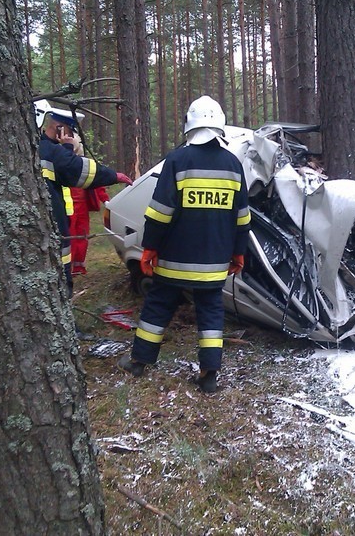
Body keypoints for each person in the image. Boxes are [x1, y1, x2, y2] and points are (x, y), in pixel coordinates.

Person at [117, 96, 251, 394]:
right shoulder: (232, 165)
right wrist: (238, 252)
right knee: (211, 312)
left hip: (175, 259)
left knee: (159, 305)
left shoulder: (177, 160)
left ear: (189, 126)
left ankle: (139, 361)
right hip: (215, 263)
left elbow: (160, 212)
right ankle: (209, 375)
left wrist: (149, 247)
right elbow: (242, 217)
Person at [34, 100, 132, 315]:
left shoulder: (36, 148)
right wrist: (114, 176)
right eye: (69, 130)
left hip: (43, 222)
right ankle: (63, 321)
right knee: (60, 273)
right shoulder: (48, 150)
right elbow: (76, 168)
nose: (72, 135)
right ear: (60, 129)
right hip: (52, 224)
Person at [68, 140, 110, 276]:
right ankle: (67, 267)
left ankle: (78, 266)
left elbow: (97, 180)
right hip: (67, 207)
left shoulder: (84, 164)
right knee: (69, 236)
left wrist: (105, 200)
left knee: (81, 235)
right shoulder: (61, 161)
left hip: (82, 207)